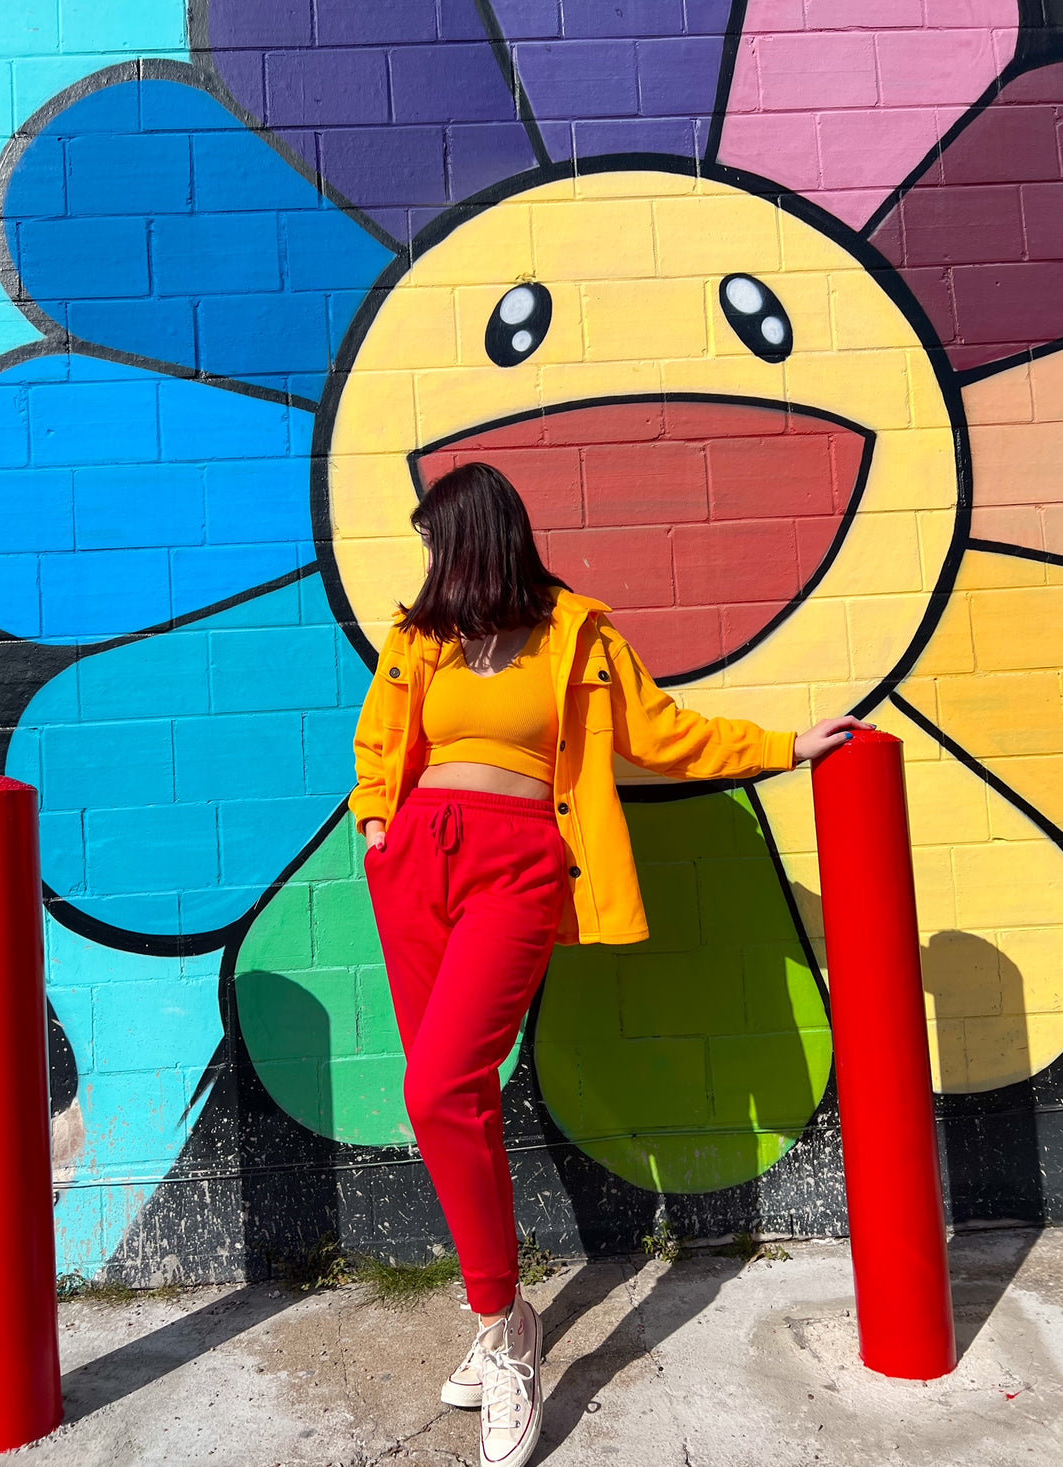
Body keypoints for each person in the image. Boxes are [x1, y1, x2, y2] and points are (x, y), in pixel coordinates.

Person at [349, 461, 870, 1467]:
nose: (428, 557)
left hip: (517, 863)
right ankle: (502, 1315)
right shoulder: (422, 637)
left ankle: (503, 1334)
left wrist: (783, 746)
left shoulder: (575, 635)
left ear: (476, 536)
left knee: (438, 1085)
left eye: (436, 538)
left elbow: (660, 731)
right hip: (414, 862)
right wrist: (378, 827)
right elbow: (379, 740)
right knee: (454, 1099)